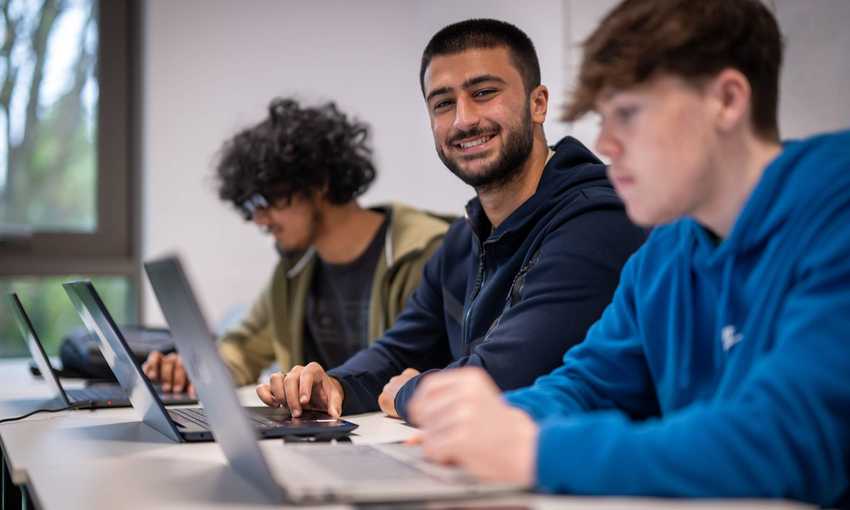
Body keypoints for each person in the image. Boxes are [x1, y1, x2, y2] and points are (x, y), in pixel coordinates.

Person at [408, 1, 850, 506]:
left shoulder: (836, 209)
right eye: (603, 118)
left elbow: (786, 441)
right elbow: (587, 384)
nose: (606, 144)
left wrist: (535, 451)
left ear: (726, 101)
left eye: (628, 115)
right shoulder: (664, 253)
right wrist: (483, 425)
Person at [256, 19, 646, 421]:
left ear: (538, 103)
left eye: (484, 93)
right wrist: (334, 384)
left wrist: (410, 392)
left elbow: (511, 375)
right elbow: (398, 350)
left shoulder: (597, 219)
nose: (463, 119)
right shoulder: (463, 239)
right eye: (443, 103)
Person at [143, 98, 451, 394]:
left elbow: (411, 364)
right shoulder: (296, 268)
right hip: (323, 434)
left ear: (318, 183)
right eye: (250, 207)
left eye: (265, 201)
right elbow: (242, 347)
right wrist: (193, 371)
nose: (259, 221)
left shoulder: (422, 253)